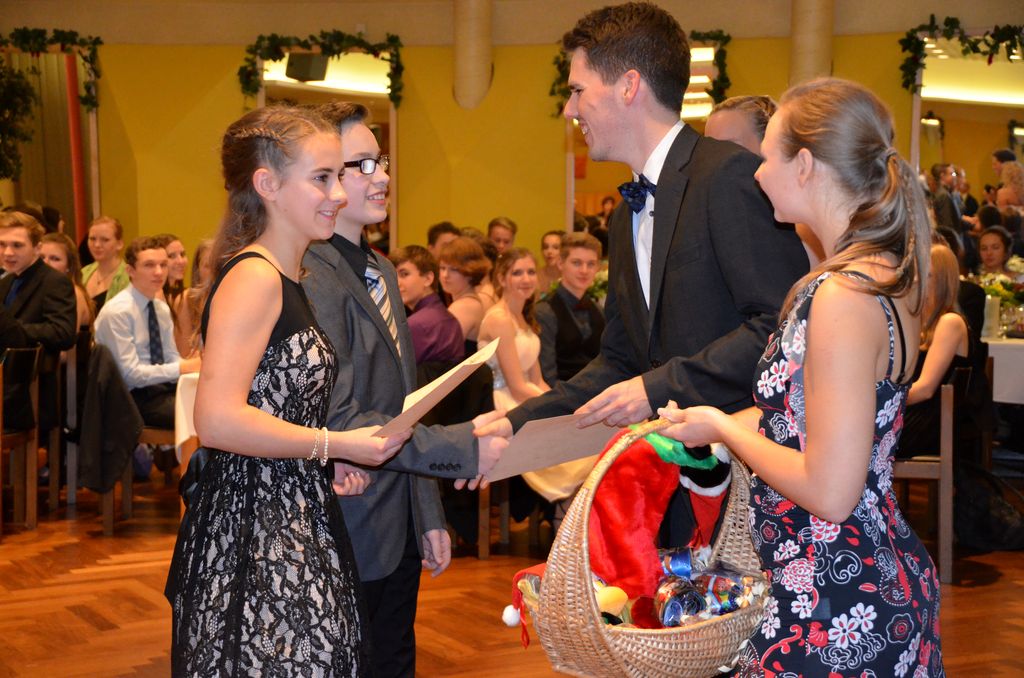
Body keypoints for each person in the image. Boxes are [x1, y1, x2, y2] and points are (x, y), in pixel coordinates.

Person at [475, 2, 808, 539]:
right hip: (665, 487)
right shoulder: (624, 215)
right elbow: (620, 361)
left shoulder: (727, 176)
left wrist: (655, 387)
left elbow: (779, 329)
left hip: (748, 486)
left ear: (628, 86)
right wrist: (513, 425)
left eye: (578, 90)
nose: (569, 109)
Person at [658, 77, 942, 676]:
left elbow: (831, 492)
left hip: (833, 601)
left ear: (806, 165)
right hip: (849, 580)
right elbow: (806, 418)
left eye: (766, 159)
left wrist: (724, 430)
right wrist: (709, 425)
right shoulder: (880, 275)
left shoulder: (841, 296)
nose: (758, 175)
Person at [165, 104, 412, 675]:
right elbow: (217, 420)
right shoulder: (255, 277)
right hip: (255, 525)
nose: (338, 195)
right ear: (267, 184)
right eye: (322, 178)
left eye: (337, 177)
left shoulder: (286, 276)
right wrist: (334, 444)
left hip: (290, 512)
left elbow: (269, 405)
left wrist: (327, 459)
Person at [301, 101, 507, 678]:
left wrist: (427, 512)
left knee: (394, 659)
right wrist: (462, 447)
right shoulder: (309, 274)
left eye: (382, 161)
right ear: (320, 177)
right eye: (362, 165)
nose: (383, 177)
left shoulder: (381, 269)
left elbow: (404, 405)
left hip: (397, 511)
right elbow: (340, 413)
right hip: (346, 510)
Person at [94, 236, 201, 431]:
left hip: (160, 390)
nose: (159, 272)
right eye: (149, 265)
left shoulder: (161, 309)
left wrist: (194, 367)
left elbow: (170, 357)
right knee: (199, 414)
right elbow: (130, 375)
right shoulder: (117, 312)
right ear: (130, 271)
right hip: (128, 398)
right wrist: (182, 368)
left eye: (163, 265)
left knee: (211, 403)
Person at [704, 93, 825, 265]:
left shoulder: (807, 226)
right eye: (708, 150)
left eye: (729, 149)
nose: (715, 161)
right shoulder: (717, 224)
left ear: (770, 145)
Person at [0, 211, 77, 432]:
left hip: (29, 392)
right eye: (2, 244)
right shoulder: (5, 283)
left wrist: (14, 331)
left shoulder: (54, 282)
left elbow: (63, 332)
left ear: (37, 247)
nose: (7, 252)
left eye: (17, 245)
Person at [900, 243, 972, 456]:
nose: (915, 281)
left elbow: (925, 389)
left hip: (928, 423)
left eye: (925, 275)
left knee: (856, 432)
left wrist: (884, 402)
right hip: (918, 415)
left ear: (942, 280)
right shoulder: (924, 325)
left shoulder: (950, 322)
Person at [535, 231, 604, 389]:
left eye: (591, 264)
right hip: (560, 395)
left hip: (598, 394)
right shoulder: (544, 311)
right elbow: (547, 375)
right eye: (577, 263)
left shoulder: (599, 311)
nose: (584, 270)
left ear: (598, 268)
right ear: (560, 263)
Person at [389, 244, 464, 365]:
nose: (396, 282)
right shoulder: (449, 318)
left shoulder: (416, 324)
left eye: (404, 274)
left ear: (428, 278)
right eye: (393, 275)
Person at [437, 235, 490, 354]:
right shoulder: (471, 301)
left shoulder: (465, 306)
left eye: (454, 269)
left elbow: (442, 353)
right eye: (442, 268)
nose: (445, 275)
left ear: (471, 271)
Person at [40, 231, 94, 330]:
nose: (45, 263)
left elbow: (67, 338)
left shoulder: (74, 294)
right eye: (41, 257)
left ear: (69, 266)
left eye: (55, 259)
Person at [81, 216, 129, 313]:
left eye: (105, 240)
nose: (97, 245)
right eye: (92, 239)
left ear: (119, 244)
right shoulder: (83, 273)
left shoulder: (129, 277)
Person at [175, 238, 213, 358]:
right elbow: (184, 353)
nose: (214, 272)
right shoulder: (187, 300)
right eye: (207, 266)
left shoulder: (233, 299)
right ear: (198, 269)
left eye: (219, 265)